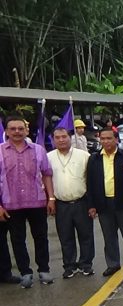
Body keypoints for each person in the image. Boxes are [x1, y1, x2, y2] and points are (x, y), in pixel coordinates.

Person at [0, 116, 56, 288]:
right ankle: (25, 272)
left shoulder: (38, 150)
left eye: (20, 128)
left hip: (37, 202)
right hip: (11, 204)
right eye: (13, 129)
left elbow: (47, 174)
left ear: (26, 130)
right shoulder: (0, 151)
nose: (17, 132)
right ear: (6, 131)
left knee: (41, 237)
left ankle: (44, 270)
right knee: (18, 240)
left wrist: (51, 198)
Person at [87, 127, 123, 276]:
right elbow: (90, 184)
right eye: (102, 139)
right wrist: (91, 205)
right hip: (103, 204)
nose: (106, 141)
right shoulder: (94, 159)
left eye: (109, 138)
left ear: (116, 139)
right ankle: (113, 264)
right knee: (109, 237)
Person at [47, 127, 94, 278]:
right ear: (53, 139)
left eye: (64, 136)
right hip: (61, 204)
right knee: (65, 237)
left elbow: (91, 180)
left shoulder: (84, 155)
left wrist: (92, 204)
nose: (61, 140)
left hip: (82, 202)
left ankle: (86, 264)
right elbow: (45, 180)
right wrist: (50, 200)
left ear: (70, 137)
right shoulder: (48, 157)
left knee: (86, 236)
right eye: (57, 137)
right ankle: (69, 266)